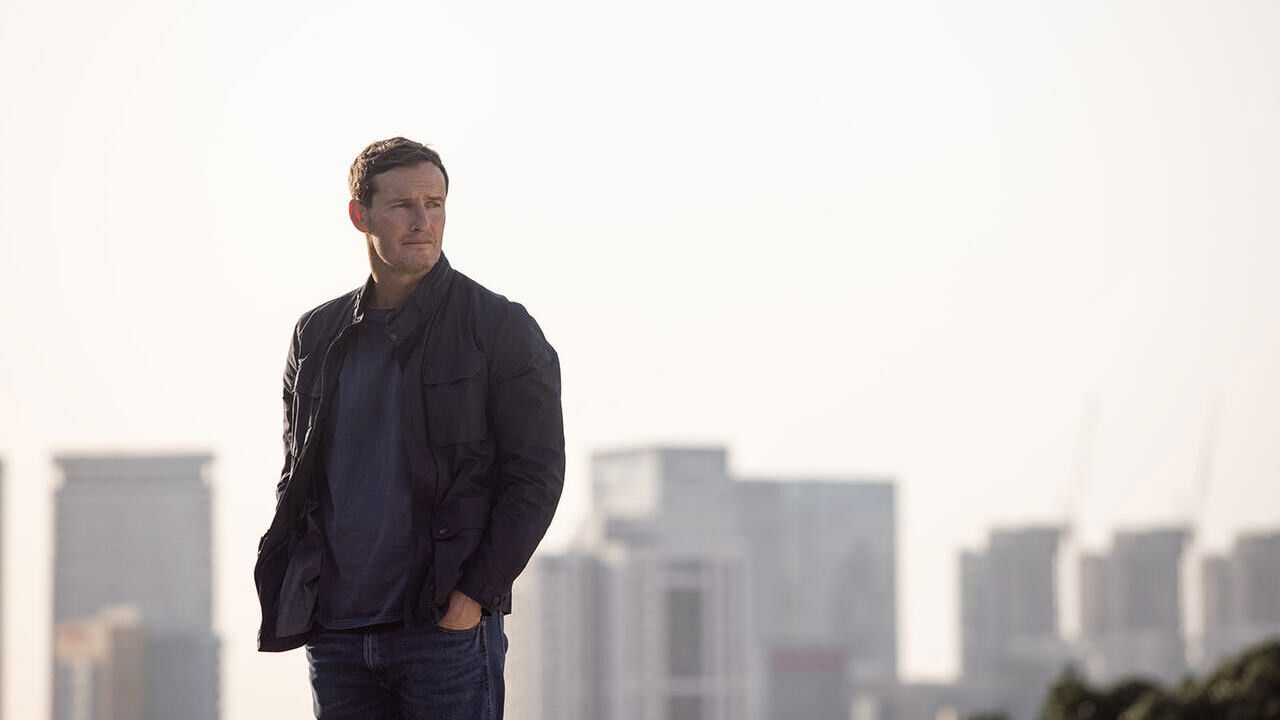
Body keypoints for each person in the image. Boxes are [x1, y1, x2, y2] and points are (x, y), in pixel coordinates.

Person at [253, 137, 565, 719]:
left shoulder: (499, 327)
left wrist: (473, 597)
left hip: (443, 628)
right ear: (360, 215)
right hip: (337, 633)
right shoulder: (315, 334)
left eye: (435, 204)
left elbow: (537, 477)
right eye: (402, 206)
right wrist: (306, 594)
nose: (423, 221)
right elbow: (298, 477)